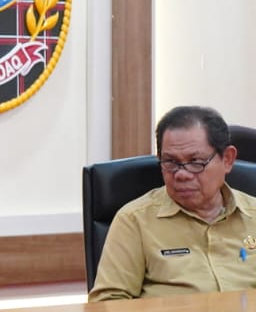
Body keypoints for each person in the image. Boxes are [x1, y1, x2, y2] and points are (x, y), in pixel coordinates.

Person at [89, 105, 256, 301]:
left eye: (196, 162)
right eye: (170, 163)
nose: (181, 174)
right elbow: (107, 303)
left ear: (227, 159)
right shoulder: (135, 221)